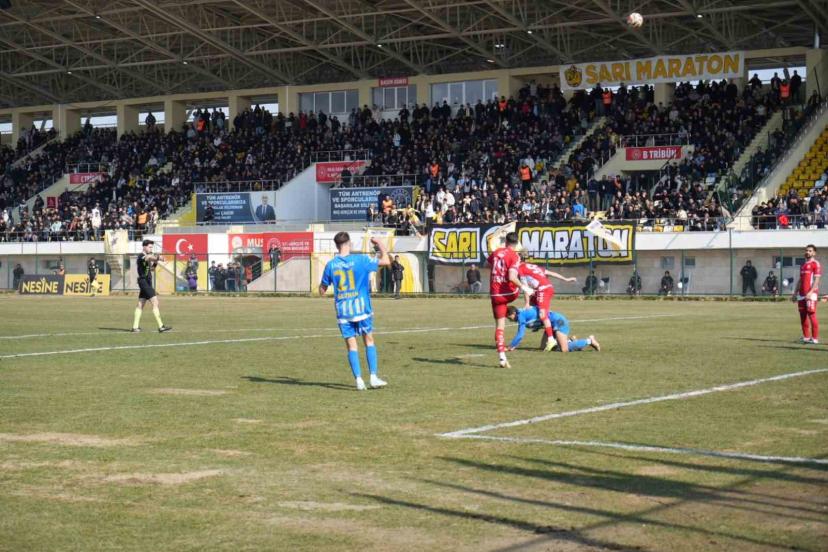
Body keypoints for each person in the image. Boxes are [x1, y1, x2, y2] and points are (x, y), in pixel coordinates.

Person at [319, 232, 391, 390]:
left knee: (351, 346)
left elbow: (322, 290)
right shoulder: (361, 260)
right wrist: (379, 243)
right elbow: (386, 260)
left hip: (344, 311)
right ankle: (373, 377)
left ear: (336, 245)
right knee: (369, 341)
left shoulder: (331, 265)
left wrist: (326, 286)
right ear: (349, 243)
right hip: (361, 308)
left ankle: (359, 380)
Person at [517, 260, 577, 352]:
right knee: (536, 308)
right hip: (544, 288)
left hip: (543, 289)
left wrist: (526, 303)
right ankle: (564, 339)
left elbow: (525, 288)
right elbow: (551, 273)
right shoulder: (533, 266)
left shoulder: (520, 268)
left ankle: (551, 340)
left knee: (542, 314)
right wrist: (566, 279)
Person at [487, 231, 525, 368]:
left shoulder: (496, 252)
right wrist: (525, 288)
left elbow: (487, 264)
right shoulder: (514, 256)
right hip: (509, 293)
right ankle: (525, 305)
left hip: (495, 294)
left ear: (506, 242)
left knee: (499, 327)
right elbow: (512, 277)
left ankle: (502, 358)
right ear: (516, 243)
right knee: (520, 282)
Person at [506, 306, 600, 352]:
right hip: (550, 326)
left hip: (558, 321)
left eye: (509, 317)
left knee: (564, 349)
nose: (509, 320)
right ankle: (571, 341)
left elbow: (520, 334)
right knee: (543, 347)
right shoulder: (522, 313)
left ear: (513, 313)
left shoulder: (521, 316)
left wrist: (511, 346)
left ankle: (589, 341)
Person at [132, 239, 172, 333]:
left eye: (152, 247)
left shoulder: (148, 256)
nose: (151, 249)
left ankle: (135, 327)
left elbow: (152, 269)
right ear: (144, 247)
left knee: (141, 303)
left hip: (147, 282)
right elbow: (148, 257)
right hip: (144, 282)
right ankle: (161, 326)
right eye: (150, 247)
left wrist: (156, 262)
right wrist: (158, 257)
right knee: (155, 302)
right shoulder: (141, 256)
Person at [793, 244, 820, 344]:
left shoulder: (815, 264)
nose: (807, 252)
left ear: (814, 253)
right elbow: (800, 280)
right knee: (803, 315)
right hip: (801, 294)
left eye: (810, 251)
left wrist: (811, 292)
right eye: (806, 250)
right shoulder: (803, 265)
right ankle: (806, 337)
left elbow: (817, 279)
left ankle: (815, 339)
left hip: (811, 294)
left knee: (812, 315)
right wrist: (795, 293)